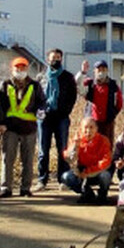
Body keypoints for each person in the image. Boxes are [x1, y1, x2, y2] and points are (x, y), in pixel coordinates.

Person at [0, 57, 46, 198]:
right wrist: (0, 123)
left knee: (28, 160)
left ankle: (25, 188)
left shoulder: (35, 86)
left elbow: (42, 101)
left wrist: (42, 110)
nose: (20, 70)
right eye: (17, 68)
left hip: (29, 127)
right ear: (12, 69)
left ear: (27, 69)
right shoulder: (5, 85)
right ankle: (6, 188)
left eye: (23, 67)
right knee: (8, 159)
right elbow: (0, 106)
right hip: (10, 128)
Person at [36, 48, 77, 192]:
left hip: (61, 117)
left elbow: (73, 96)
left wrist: (65, 111)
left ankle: (63, 179)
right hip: (44, 118)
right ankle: (42, 180)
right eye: (53, 57)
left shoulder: (68, 77)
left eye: (58, 57)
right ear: (48, 59)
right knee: (43, 150)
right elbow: (36, 96)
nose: (56, 60)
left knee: (62, 150)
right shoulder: (41, 77)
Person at [61, 117, 114, 204]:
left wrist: (88, 172)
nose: (88, 130)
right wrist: (75, 147)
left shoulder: (104, 140)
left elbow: (106, 161)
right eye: (86, 127)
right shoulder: (76, 139)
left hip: (97, 172)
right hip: (81, 172)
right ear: (81, 129)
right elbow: (68, 158)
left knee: (105, 175)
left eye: (91, 127)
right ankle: (87, 194)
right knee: (66, 177)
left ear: (96, 128)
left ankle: (102, 195)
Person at [77, 59, 123, 143]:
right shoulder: (90, 83)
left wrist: (112, 114)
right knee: (90, 144)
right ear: (94, 71)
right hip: (92, 121)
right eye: (99, 69)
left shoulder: (113, 85)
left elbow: (119, 103)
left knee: (107, 144)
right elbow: (78, 87)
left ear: (107, 71)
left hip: (107, 122)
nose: (101, 72)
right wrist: (83, 72)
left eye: (104, 70)